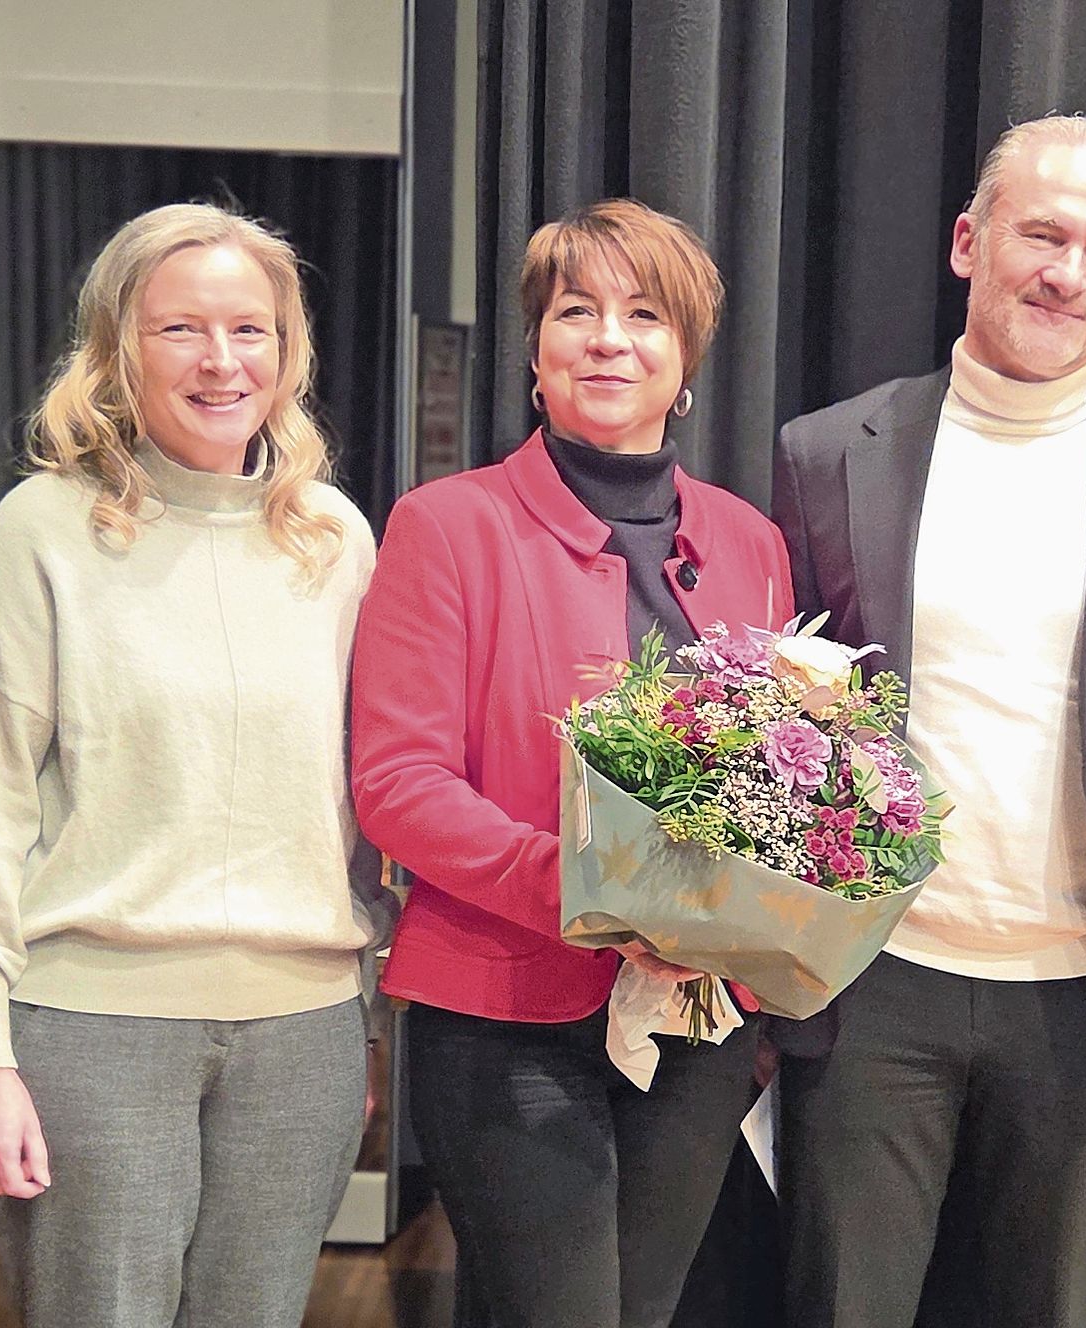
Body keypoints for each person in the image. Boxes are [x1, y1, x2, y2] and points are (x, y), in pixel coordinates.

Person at [770, 113, 1086, 1327]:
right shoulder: (831, 451)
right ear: (966, 242)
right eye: (1042, 233)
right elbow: (784, 724)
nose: (1066, 272)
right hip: (871, 980)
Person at [0, 203, 392, 1327]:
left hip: (302, 1037)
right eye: (182, 328)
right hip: (90, 1033)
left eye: (251, 329)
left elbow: (361, 795)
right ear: (118, 349)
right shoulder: (44, 531)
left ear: (288, 350)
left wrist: (359, 1016)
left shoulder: (333, 538)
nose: (222, 361)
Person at [349, 198, 793, 1328]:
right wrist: (594, 891)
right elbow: (398, 783)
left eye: (645, 315)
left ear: (683, 358)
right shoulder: (446, 523)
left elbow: (780, 781)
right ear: (537, 351)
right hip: (502, 1012)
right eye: (576, 310)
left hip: (696, 1020)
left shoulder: (749, 542)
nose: (609, 337)